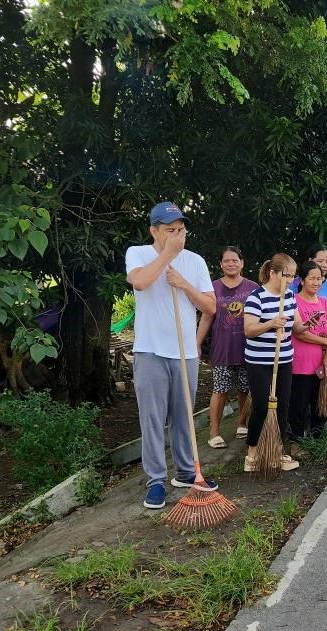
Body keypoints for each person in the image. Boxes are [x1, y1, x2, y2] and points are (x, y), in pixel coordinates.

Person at [126, 202, 217, 510]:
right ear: (154, 231)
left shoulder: (196, 262)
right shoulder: (137, 253)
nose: (179, 235)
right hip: (150, 349)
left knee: (183, 415)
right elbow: (139, 282)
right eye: (170, 230)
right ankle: (155, 480)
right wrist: (167, 255)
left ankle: (187, 472)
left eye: (181, 229)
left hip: (184, 351)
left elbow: (210, 307)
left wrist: (183, 283)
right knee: (151, 418)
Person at [243, 253, 306, 472]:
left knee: (282, 405)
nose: (290, 280)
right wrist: (271, 323)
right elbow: (249, 330)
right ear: (273, 273)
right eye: (286, 275)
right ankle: (251, 453)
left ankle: (276, 451)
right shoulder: (256, 297)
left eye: (292, 276)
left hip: (284, 359)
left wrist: (309, 324)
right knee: (261, 405)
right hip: (259, 361)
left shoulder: (289, 296)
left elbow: (297, 327)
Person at [198, 246, 258, 449]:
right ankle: (214, 432)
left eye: (235, 260)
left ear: (242, 263)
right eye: (226, 261)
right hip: (222, 349)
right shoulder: (211, 288)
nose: (231, 264)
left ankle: (242, 423)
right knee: (220, 390)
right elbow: (206, 317)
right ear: (220, 264)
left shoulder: (253, 288)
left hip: (248, 348)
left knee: (244, 388)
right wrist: (197, 343)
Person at [290, 261, 327, 456]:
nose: (316, 282)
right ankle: (297, 442)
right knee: (299, 404)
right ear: (302, 280)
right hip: (301, 362)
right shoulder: (294, 301)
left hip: (322, 362)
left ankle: (319, 438)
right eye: (312, 278)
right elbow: (299, 333)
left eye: (319, 278)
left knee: (319, 401)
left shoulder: (324, 303)